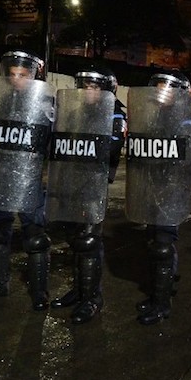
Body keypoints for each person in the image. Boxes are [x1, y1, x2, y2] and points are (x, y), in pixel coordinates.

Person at [0, 51, 54, 312]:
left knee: (35, 236)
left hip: (29, 177)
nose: (17, 79)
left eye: (23, 74)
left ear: (33, 75)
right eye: (12, 74)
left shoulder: (45, 103)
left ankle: (39, 292)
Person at [48, 64, 124, 324]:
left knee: (89, 240)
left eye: (94, 87)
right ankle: (79, 289)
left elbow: (111, 149)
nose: (88, 92)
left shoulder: (114, 114)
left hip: (94, 184)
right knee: (74, 238)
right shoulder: (76, 110)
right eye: (85, 87)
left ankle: (92, 298)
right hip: (72, 181)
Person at [132, 69, 191, 325]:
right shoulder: (156, 117)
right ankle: (158, 293)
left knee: (162, 243)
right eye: (158, 87)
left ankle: (162, 304)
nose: (161, 92)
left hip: (170, 191)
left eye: (167, 88)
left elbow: (187, 160)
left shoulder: (186, 119)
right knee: (153, 242)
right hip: (152, 188)